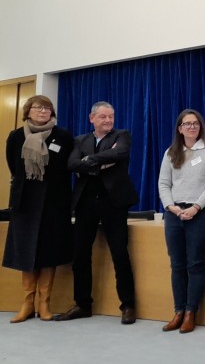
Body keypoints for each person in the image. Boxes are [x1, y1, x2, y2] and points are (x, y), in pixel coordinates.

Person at [54, 101, 139, 324]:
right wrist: (102, 163)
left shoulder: (122, 135)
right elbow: (72, 164)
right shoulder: (80, 140)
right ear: (92, 118)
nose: (108, 120)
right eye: (103, 117)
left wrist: (90, 161)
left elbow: (120, 153)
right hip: (86, 202)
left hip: (114, 203)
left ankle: (128, 305)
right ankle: (82, 304)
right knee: (81, 255)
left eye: (111, 116)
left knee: (120, 254)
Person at [4, 95, 74, 323]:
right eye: (38, 107)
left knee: (49, 252)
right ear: (28, 111)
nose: (43, 111)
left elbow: (67, 168)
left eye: (47, 108)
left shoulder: (63, 136)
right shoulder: (16, 136)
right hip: (25, 203)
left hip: (53, 203)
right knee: (26, 252)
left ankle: (45, 303)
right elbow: (13, 165)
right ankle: (27, 303)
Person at [157, 109, 205, 334]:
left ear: (200, 127)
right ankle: (178, 311)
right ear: (180, 129)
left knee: (195, 264)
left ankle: (190, 313)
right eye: (187, 124)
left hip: (200, 214)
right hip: (174, 214)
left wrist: (196, 207)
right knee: (177, 265)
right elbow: (163, 184)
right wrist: (171, 207)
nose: (192, 127)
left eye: (195, 123)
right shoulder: (171, 152)